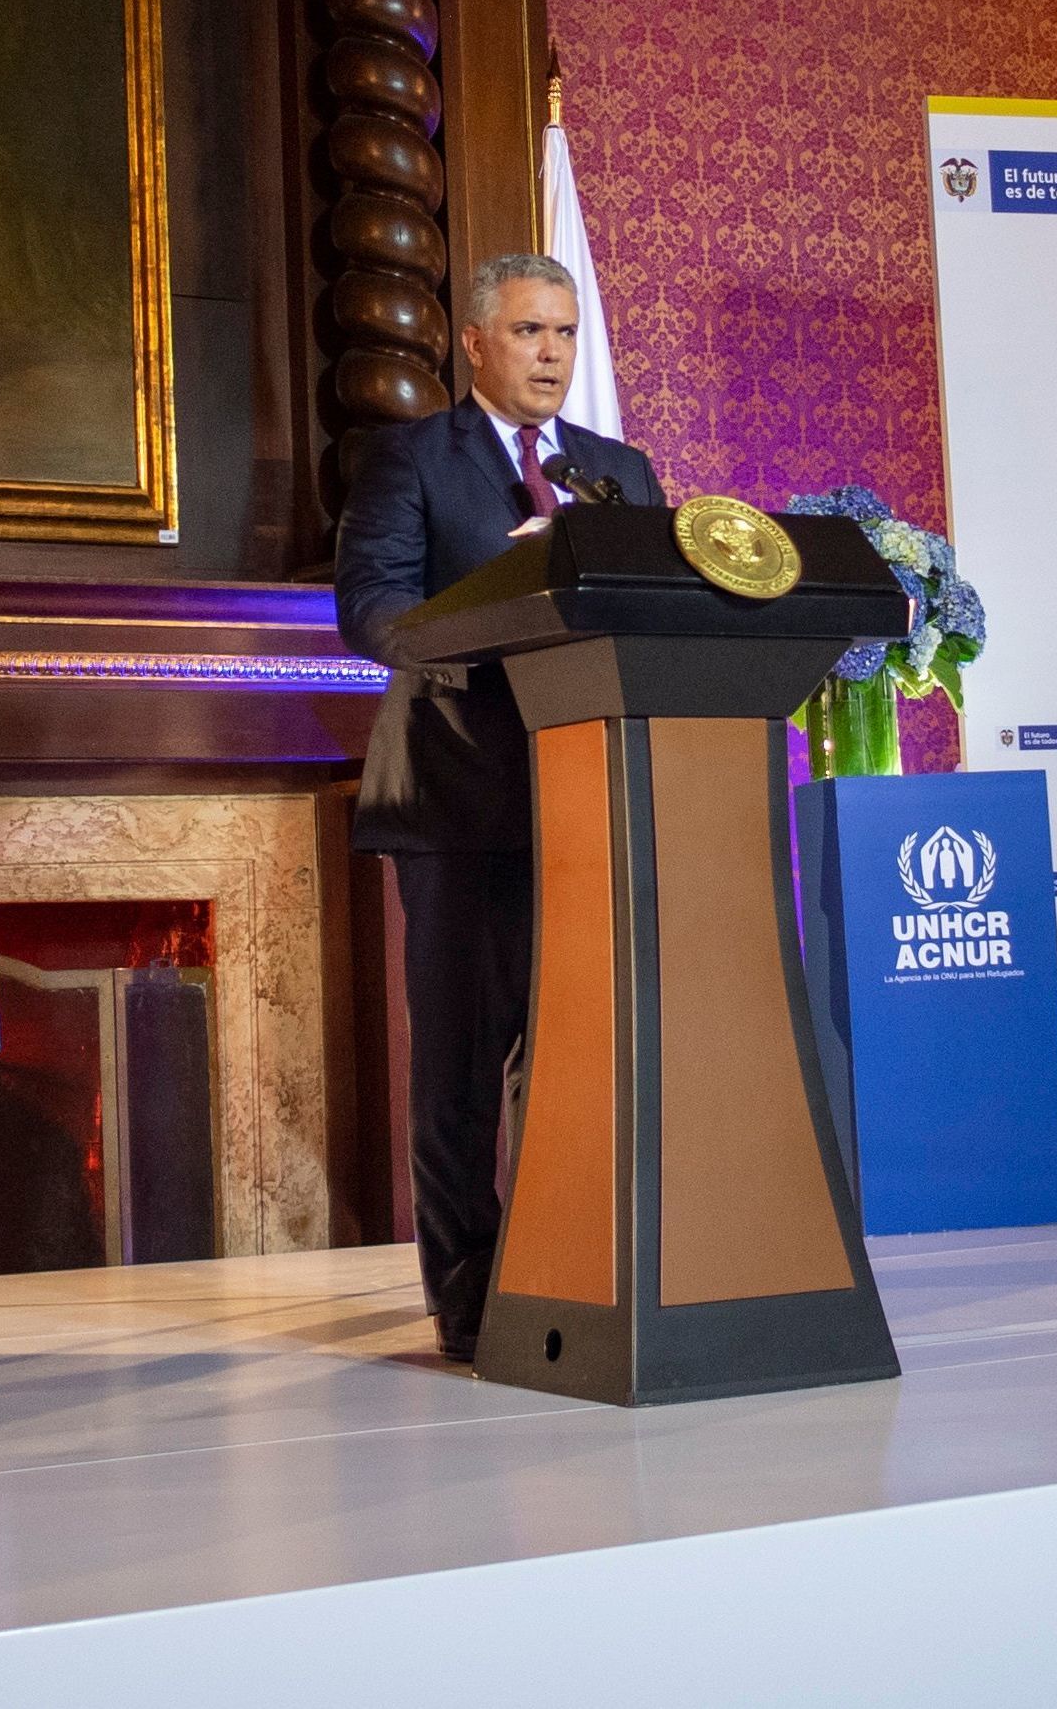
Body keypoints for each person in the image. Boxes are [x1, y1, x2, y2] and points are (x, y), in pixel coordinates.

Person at [332, 250, 662, 1365]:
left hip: (594, 797)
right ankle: (468, 1303)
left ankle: (575, 1266)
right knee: (466, 1065)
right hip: (463, 798)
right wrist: (497, 601)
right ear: (473, 343)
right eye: (528, 333)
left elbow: (656, 612)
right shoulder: (412, 458)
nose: (551, 356)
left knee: (583, 1054)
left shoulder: (616, 471)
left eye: (564, 334)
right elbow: (372, 605)